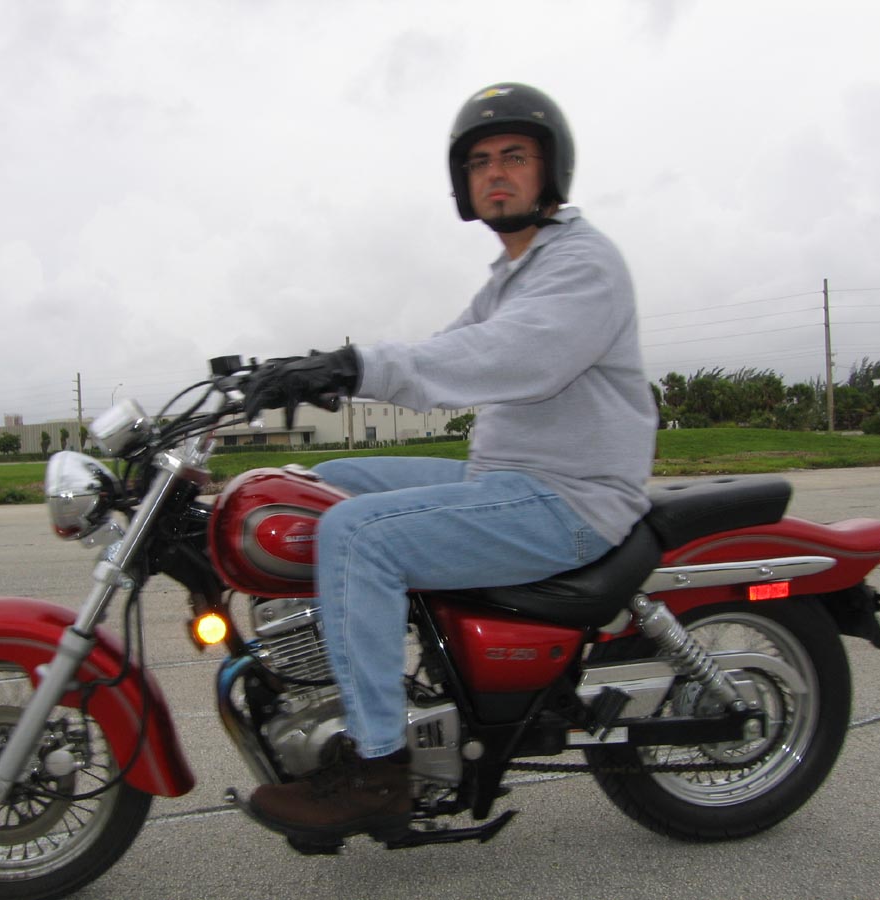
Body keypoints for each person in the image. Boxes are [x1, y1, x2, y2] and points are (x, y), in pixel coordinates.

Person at [242, 82, 657, 843]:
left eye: (514, 157)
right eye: (479, 162)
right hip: (505, 477)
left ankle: (378, 768)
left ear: (550, 168)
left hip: (571, 498)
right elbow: (446, 352)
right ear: (463, 183)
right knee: (321, 487)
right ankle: (345, 675)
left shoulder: (582, 265)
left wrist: (357, 365)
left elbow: (505, 356)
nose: (495, 173)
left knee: (356, 534)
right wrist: (321, 372)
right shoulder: (513, 275)